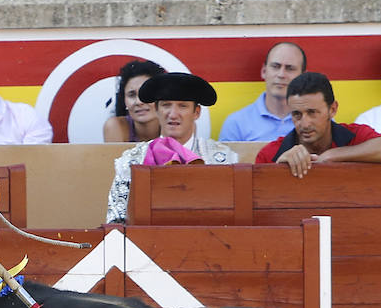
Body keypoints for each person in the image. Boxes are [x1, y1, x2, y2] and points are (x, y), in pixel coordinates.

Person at [105, 71, 237, 223]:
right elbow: (116, 220)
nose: (173, 114)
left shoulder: (222, 159)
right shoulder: (131, 160)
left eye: (182, 106)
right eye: (166, 105)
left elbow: (229, 219)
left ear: (197, 113)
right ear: (157, 110)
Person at [255, 71, 381, 177]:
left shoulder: (354, 136)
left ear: (332, 109)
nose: (305, 123)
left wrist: (332, 156)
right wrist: (278, 169)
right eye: (297, 114)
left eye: (312, 112)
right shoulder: (270, 154)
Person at [218, 41, 306, 141]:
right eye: (275, 67)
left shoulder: (314, 121)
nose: (281, 74)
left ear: (302, 76)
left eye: (290, 68)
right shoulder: (236, 124)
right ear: (264, 71)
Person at [101, 59, 166, 143]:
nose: (139, 102)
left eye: (147, 93)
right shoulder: (115, 126)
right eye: (132, 95)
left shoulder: (175, 125)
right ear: (123, 100)